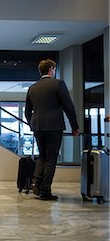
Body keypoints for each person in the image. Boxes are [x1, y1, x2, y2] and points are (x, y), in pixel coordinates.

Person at [25, 59, 80, 201]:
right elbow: (69, 107)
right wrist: (75, 126)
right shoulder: (58, 84)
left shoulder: (33, 87)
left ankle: (36, 184)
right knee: (51, 158)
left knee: (42, 155)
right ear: (51, 69)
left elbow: (27, 112)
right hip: (54, 126)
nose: (55, 72)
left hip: (38, 126)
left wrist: (32, 124)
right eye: (54, 69)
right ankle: (45, 191)